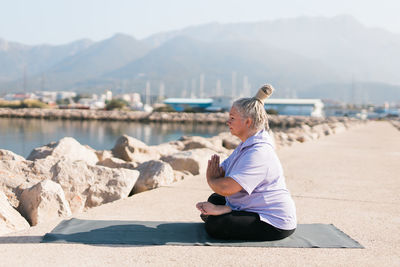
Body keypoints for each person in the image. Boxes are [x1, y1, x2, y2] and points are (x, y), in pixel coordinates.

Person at [196, 84, 297, 241]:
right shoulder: (246, 145)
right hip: (249, 206)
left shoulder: (259, 153)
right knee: (214, 199)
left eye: (232, 118)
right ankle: (225, 209)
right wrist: (218, 181)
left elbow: (226, 187)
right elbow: (222, 175)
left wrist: (211, 179)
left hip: (273, 221)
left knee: (215, 225)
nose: (227, 122)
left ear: (248, 122)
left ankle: (225, 212)